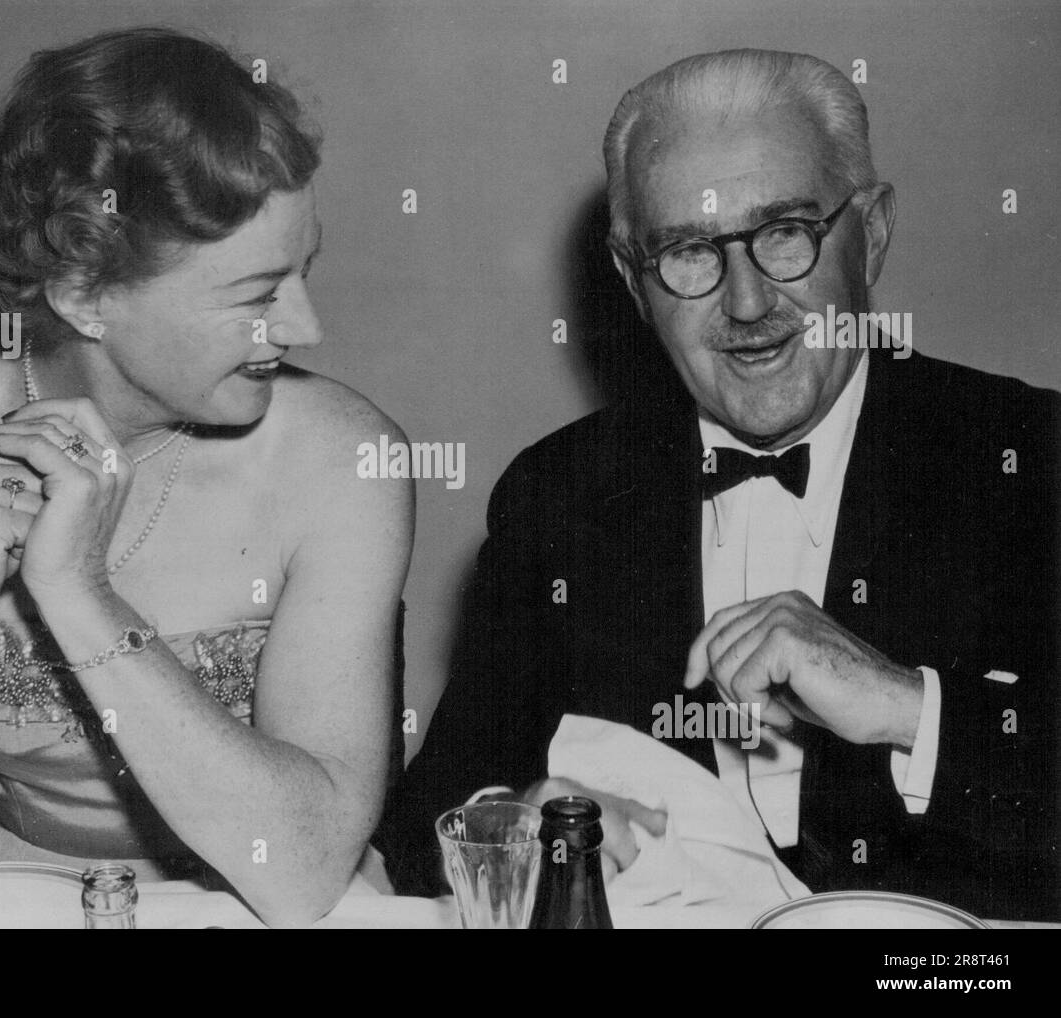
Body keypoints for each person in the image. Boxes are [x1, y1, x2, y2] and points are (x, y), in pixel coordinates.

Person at [375, 48, 1059, 921]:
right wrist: (518, 824)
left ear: (873, 233)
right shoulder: (561, 493)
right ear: (632, 280)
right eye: (689, 253)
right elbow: (427, 824)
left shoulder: (1029, 458)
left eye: (784, 233)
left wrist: (904, 707)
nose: (744, 303)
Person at [0, 27, 413, 928]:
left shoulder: (343, 458)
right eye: (257, 294)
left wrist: (79, 593)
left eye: (302, 273)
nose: (303, 327)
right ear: (82, 293)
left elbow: (300, 871)